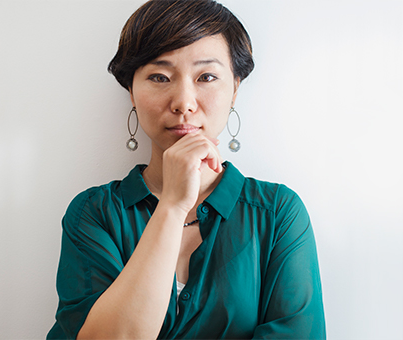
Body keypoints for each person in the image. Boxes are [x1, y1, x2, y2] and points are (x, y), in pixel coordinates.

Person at [47, 0, 326, 339]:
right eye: (159, 77)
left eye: (206, 76)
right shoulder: (93, 213)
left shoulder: (277, 212)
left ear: (235, 88)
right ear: (131, 92)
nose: (184, 102)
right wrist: (172, 206)